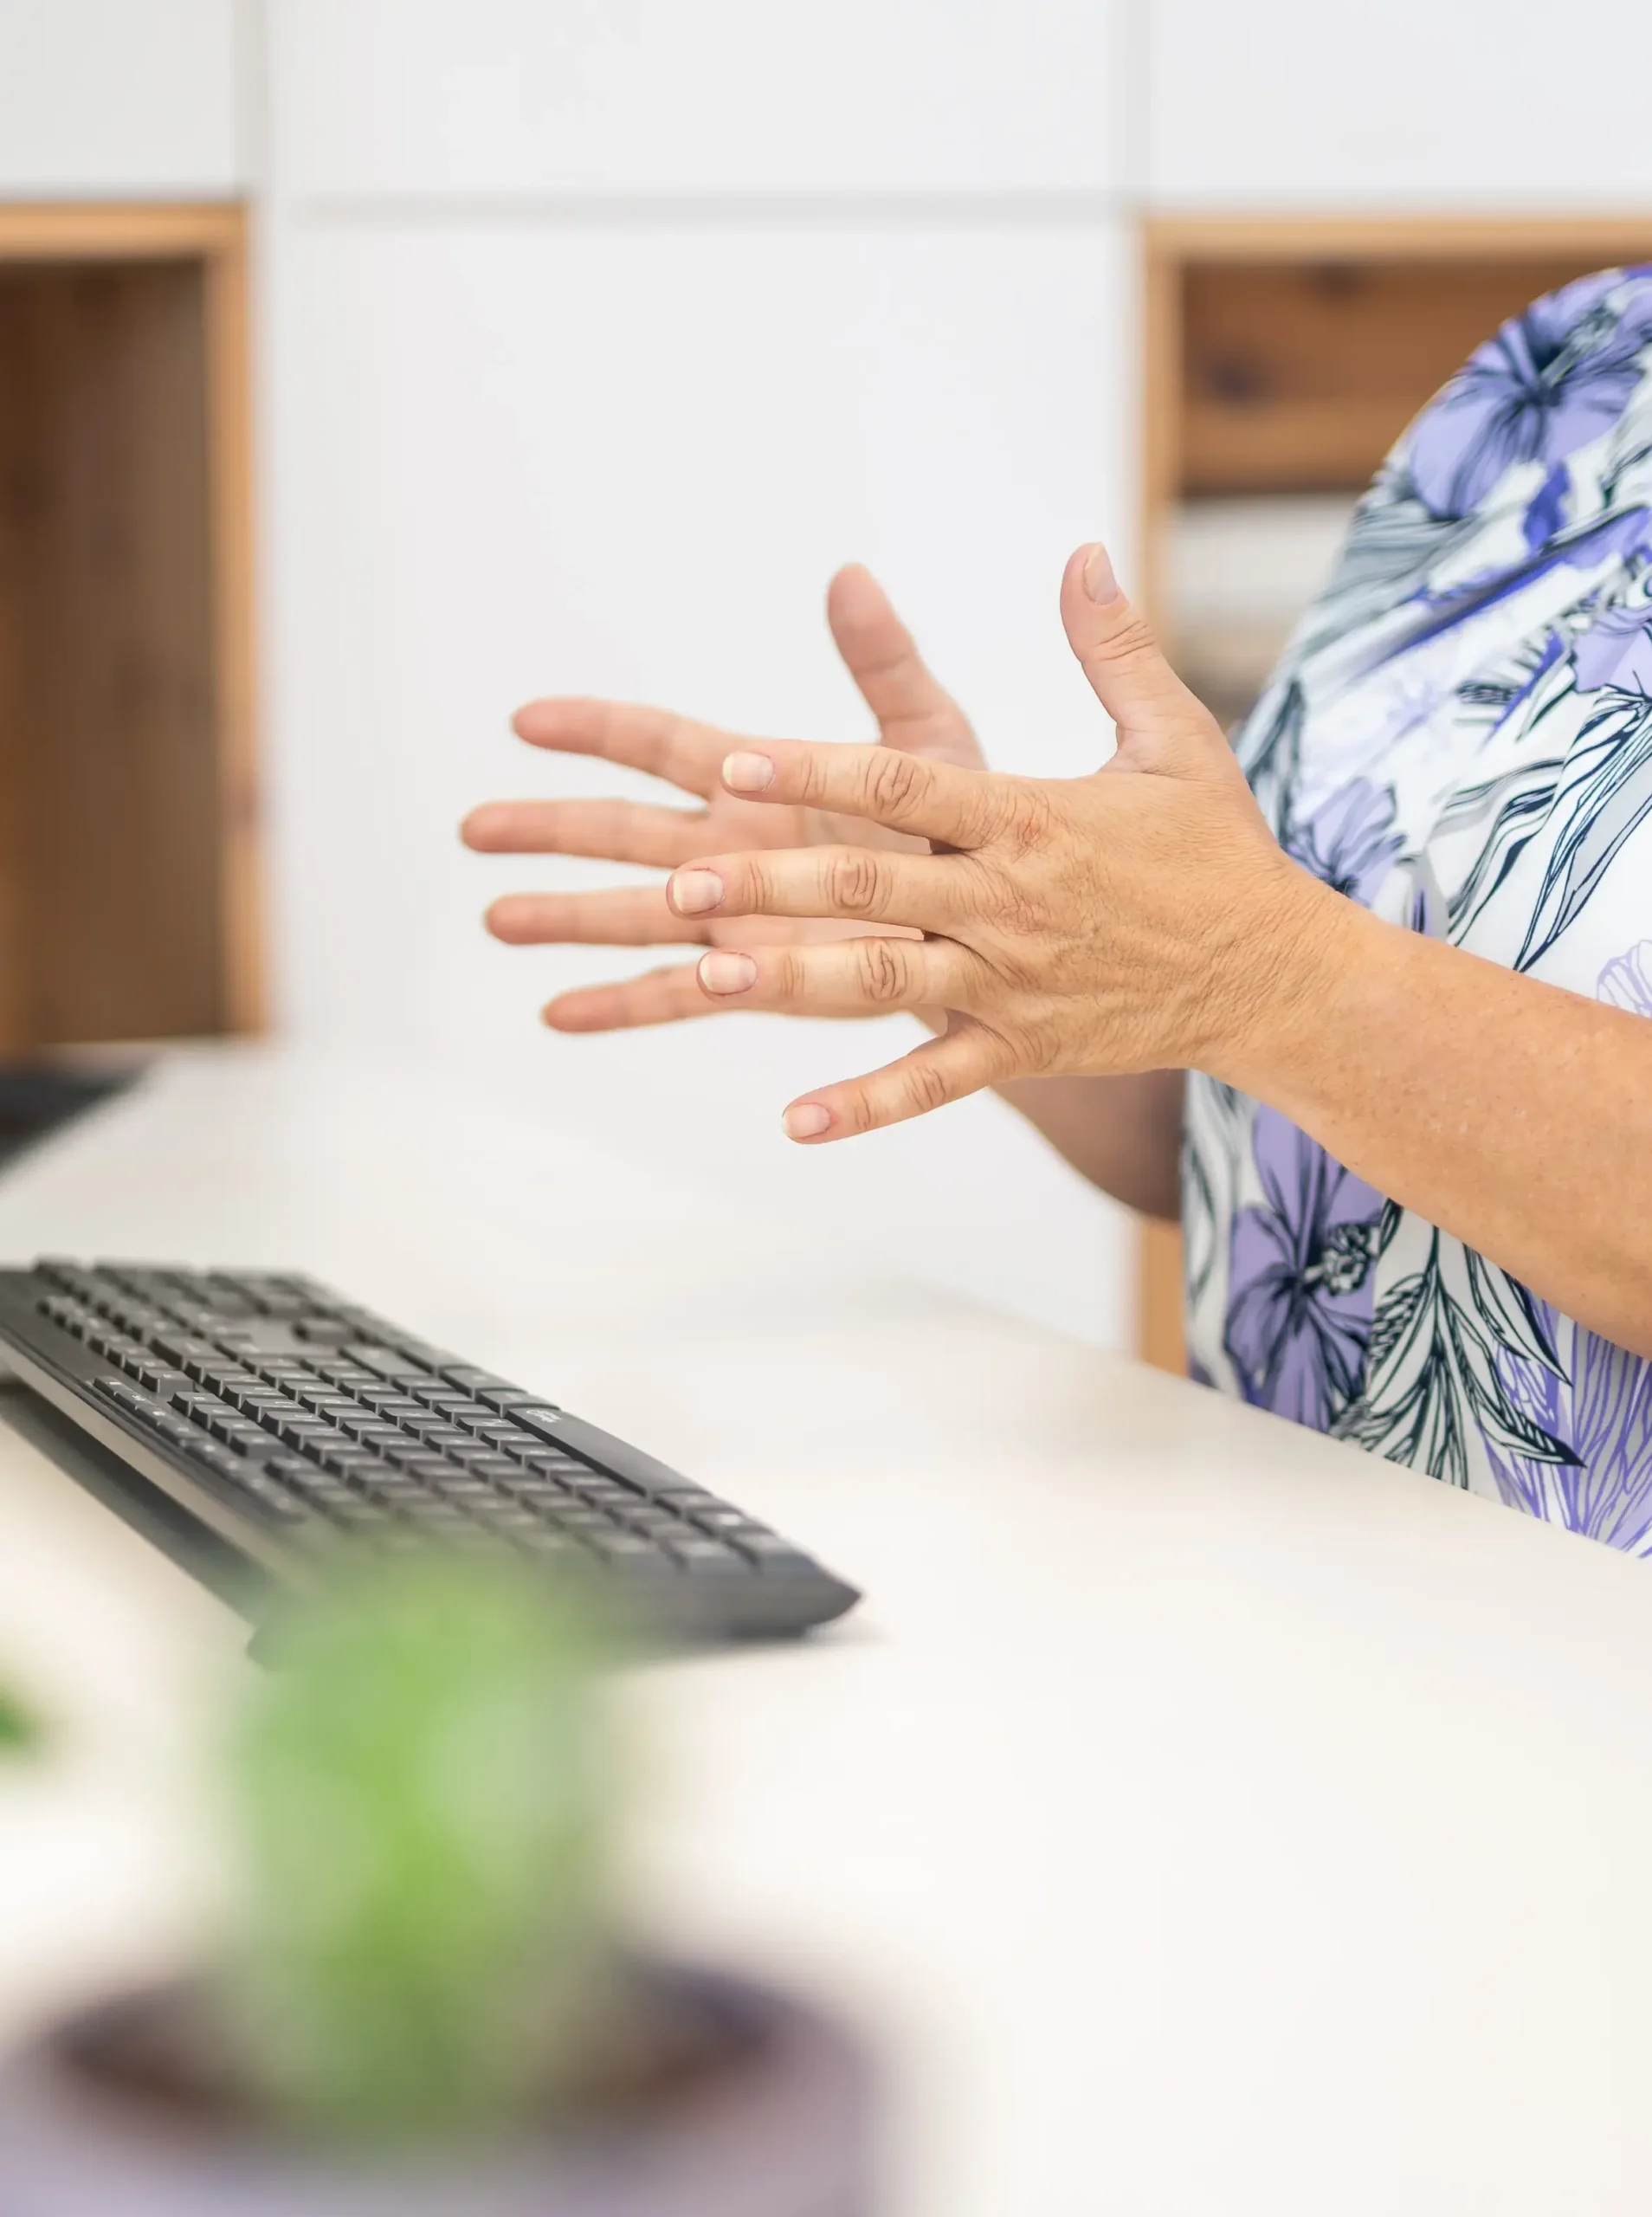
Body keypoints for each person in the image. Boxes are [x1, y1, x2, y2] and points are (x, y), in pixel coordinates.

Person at [463, 268, 1652, 1551]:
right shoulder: (1582, 360)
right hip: (1321, 1585)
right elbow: (1258, 1147)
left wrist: (1270, 978)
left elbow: (1293, 993)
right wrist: (979, 931)